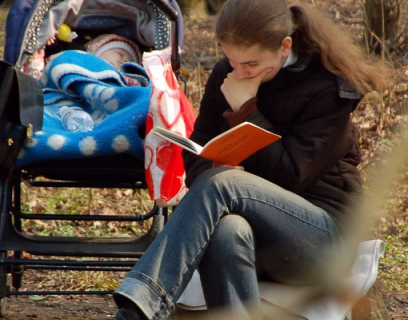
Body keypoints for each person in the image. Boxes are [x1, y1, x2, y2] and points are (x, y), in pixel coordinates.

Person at [110, 0, 392, 319]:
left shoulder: (328, 84)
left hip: (323, 239)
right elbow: (197, 156)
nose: (240, 72)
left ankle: (139, 308)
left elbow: (294, 174)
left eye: (252, 64)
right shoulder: (226, 74)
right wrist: (213, 166)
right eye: (232, 61)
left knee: (223, 185)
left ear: (284, 46)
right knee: (227, 231)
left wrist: (247, 111)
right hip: (254, 232)